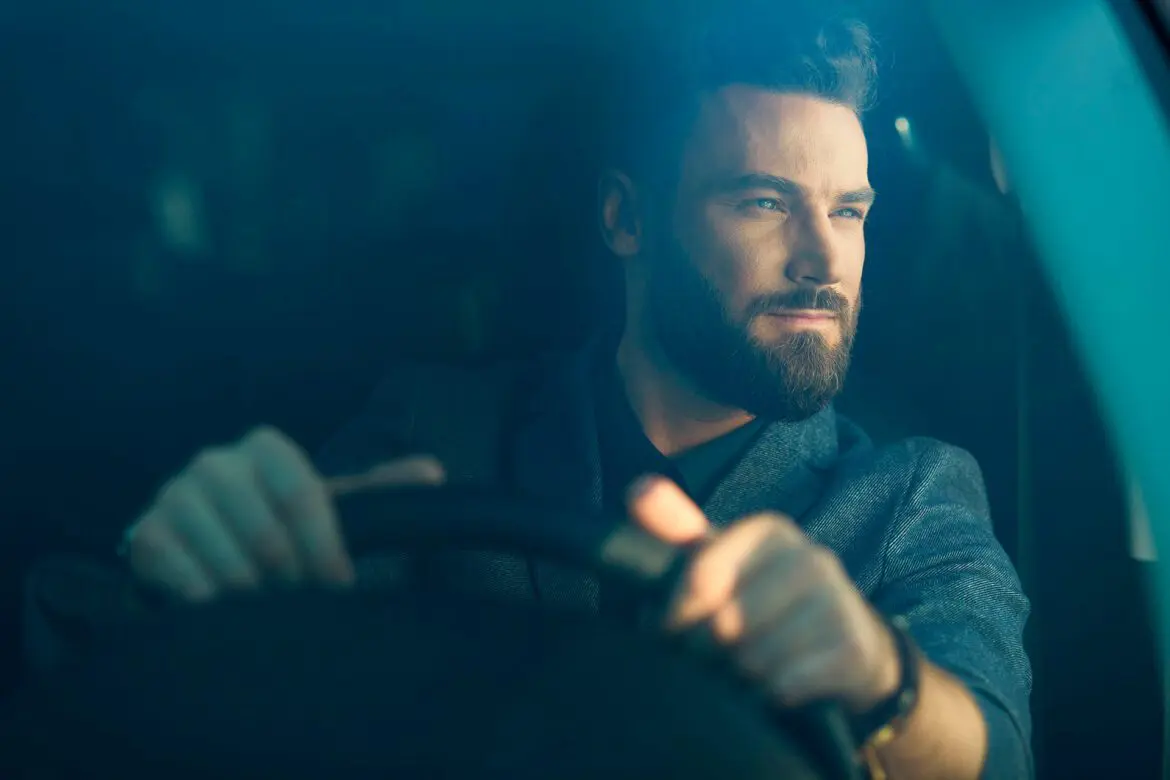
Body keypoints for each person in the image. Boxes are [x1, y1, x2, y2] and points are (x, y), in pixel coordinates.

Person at [121, 9, 1032, 780]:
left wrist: (881, 677)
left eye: (848, 211)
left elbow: (993, 747)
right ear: (626, 218)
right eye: (763, 203)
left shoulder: (914, 492)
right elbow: (256, 680)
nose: (824, 258)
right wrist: (198, 577)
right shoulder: (439, 433)